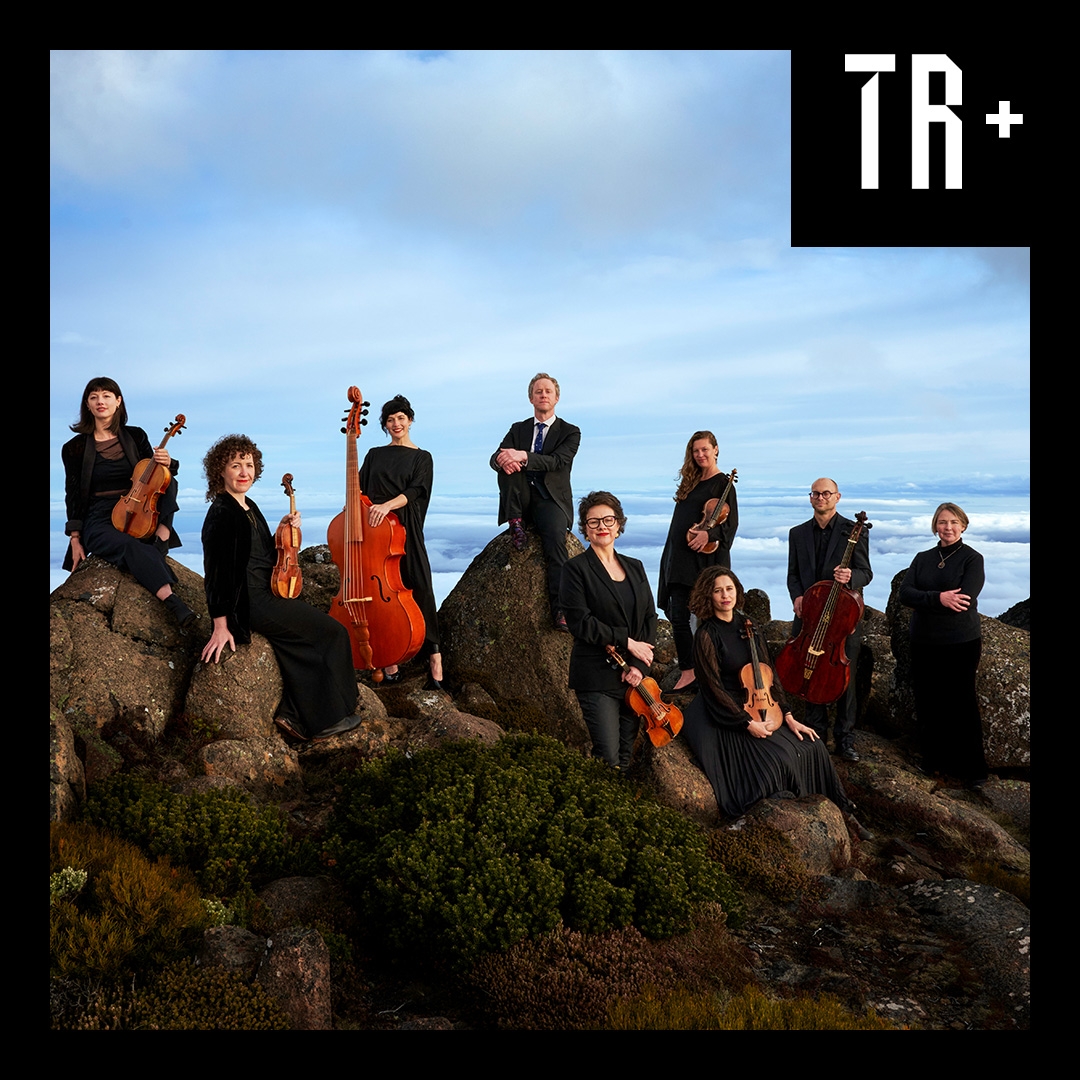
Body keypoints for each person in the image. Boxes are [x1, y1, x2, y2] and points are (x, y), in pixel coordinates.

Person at [681, 567, 871, 837]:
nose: (725, 595)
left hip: (761, 699)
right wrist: (746, 723)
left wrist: (789, 716)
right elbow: (712, 687)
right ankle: (797, 811)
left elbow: (770, 675)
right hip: (726, 710)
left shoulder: (750, 626)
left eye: (730, 588)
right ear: (708, 596)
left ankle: (842, 811)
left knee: (813, 745)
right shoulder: (706, 635)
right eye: (718, 590)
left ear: (737, 591)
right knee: (777, 759)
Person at [200, 434, 362, 743]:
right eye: (236, 465)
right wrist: (220, 624)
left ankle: (293, 714)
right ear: (220, 471)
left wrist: (284, 529)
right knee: (332, 633)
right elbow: (216, 572)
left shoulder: (248, 506)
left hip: (264, 592)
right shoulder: (222, 512)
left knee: (298, 642)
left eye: (249, 465)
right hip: (250, 600)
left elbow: (263, 552)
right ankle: (324, 722)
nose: (244, 472)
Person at [61, 376, 195, 625]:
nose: (100, 401)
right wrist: (75, 538)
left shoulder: (135, 436)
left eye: (106, 395)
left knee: (169, 483)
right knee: (133, 548)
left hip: (139, 507)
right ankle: (172, 601)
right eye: (93, 397)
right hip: (99, 516)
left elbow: (157, 474)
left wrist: (170, 462)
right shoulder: (74, 447)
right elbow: (73, 493)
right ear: (87, 405)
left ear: (118, 401)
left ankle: (162, 539)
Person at [559, 492, 657, 771]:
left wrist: (639, 666)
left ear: (618, 525)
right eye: (593, 522)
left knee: (626, 757)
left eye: (608, 519)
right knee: (608, 758)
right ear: (585, 530)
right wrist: (626, 641)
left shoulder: (635, 567)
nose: (602, 526)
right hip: (596, 676)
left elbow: (650, 617)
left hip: (633, 679)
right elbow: (580, 622)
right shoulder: (575, 569)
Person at [898, 502, 990, 789]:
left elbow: (964, 600)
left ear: (963, 525)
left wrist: (925, 599)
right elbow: (905, 593)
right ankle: (933, 761)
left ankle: (973, 770)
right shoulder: (922, 557)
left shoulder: (972, 559)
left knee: (961, 703)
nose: (947, 527)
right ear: (934, 526)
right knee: (928, 701)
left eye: (952, 522)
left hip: (959, 641)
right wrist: (938, 599)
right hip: (924, 640)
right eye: (941, 522)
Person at [360, 395, 443, 689]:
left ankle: (434, 659)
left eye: (401, 418)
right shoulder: (373, 454)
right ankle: (389, 661)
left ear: (410, 420)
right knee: (379, 592)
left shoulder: (422, 457)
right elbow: (358, 490)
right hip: (373, 533)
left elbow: (416, 491)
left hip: (404, 530)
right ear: (384, 424)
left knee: (420, 587)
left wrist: (387, 506)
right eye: (390, 420)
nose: (396, 424)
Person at [786, 477, 872, 761]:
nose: (820, 497)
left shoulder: (853, 530)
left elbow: (866, 572)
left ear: (837, 497)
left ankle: (845, 739)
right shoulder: (797, 533)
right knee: (809, 673)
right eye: (815, 493)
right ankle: (815, 733)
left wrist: (851, 577)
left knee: (844, 678)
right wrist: (797, 597)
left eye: (826, 493)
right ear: (810, 498)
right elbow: (793, 574)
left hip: (841, 620)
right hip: (809, 616)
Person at [490, 373, 581, 631]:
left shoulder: (570, 432)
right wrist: (503, 460)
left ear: (556, 397)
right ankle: (515, 523)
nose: (543, 395)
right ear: (531, 398)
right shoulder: (518, 429)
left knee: (555, 541)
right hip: (520, 496)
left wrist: (522, 455)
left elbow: (557, 462)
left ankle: (561, 609)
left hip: (551, 499)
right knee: (506, 465)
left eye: (548, 391)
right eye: (538, 391)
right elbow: (494, 457)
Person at [657, 431, 738, 691]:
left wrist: (708, 534)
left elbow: (730, 526)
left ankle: (714, 672)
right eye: (695, 451)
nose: (700, 455)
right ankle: (688, 671)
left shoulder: (724, 485)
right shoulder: (690, 481)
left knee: (709, 617)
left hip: (705, 562)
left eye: (705, 449)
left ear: (716, 450)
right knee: (679, 616)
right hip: (680, 558)